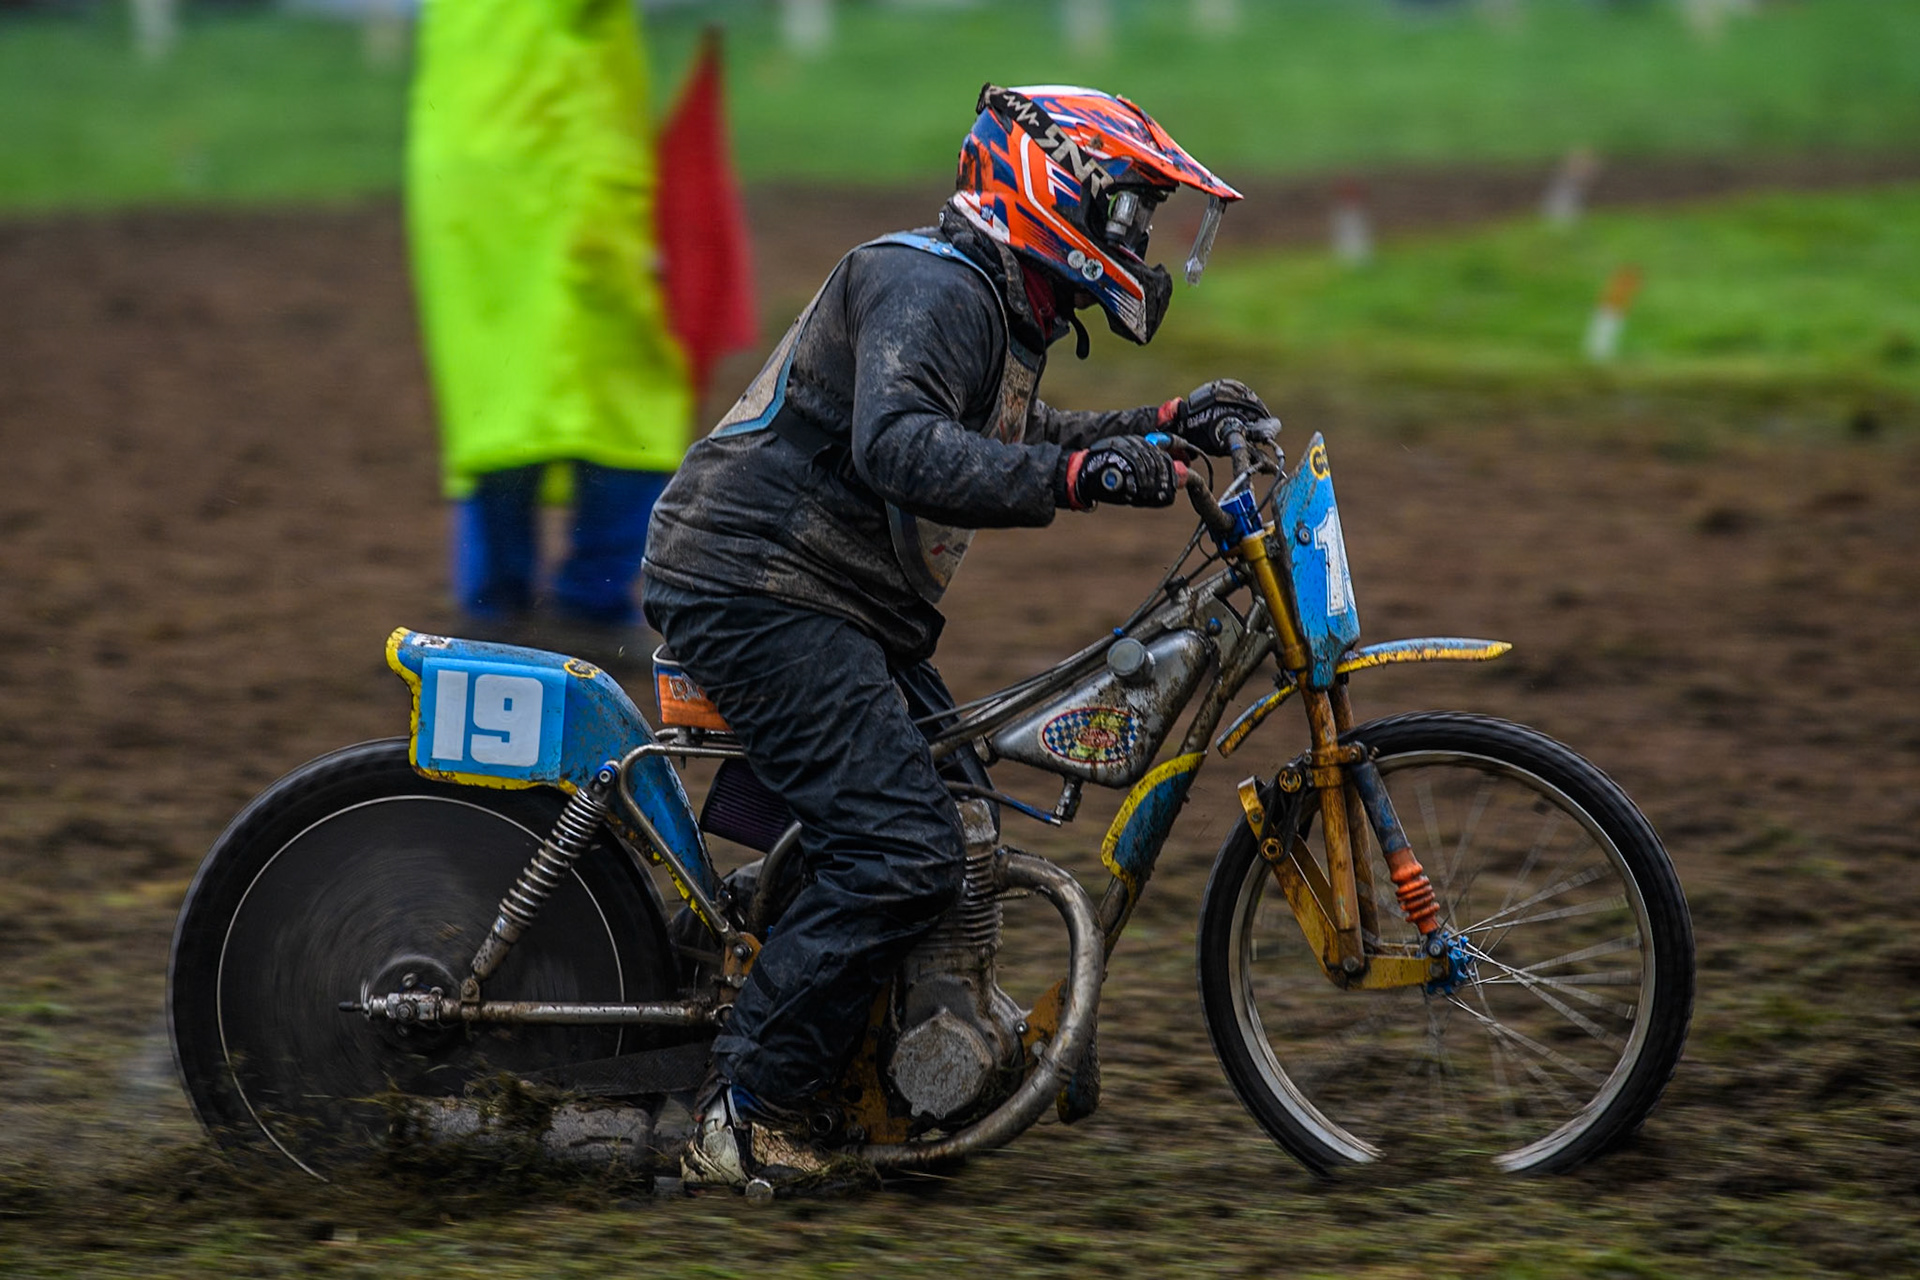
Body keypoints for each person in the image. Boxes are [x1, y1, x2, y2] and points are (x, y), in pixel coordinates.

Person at [642, 84, 1274, 1190]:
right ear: (1052, 189)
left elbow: (1018, 433)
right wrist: (1080, 478)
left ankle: (879, 1070)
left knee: (962, 819)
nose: (1141, 241)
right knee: (901, 848)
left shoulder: (990, 302)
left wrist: (1164, 425)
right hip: (762, 587)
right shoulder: (931, 285)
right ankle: (743, 1114)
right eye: (1129, 212)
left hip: (831, 599)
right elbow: (901, 447)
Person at [407, 0, 692, 652]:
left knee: (498, 397)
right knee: (628, 390)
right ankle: (589, 602)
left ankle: (493, 607)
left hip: (461, 156)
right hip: (561, 161)